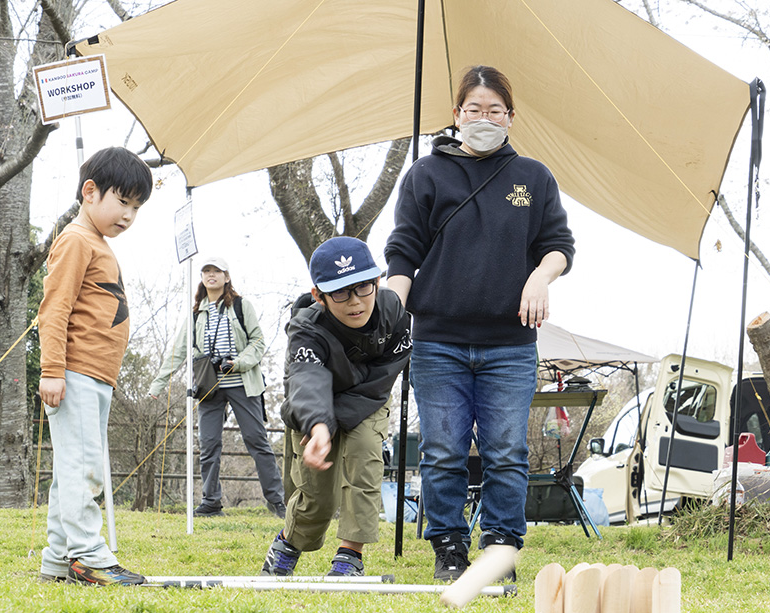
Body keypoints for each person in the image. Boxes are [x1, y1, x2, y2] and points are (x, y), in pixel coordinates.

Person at [384, 65, 574, 581]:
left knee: (506, 452)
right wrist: (392, 307)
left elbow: (559, 246)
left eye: (494, 110)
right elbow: (403, 250)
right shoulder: (425, 175)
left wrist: (540, 278)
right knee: (443, 450)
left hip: (509, 345)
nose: (484, 118)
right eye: (474, 109)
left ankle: (499, 548)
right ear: (456, 115)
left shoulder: (533, 177)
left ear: (510, 117)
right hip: (438, 341)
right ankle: (448, 545)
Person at [260, 237, 411, 578]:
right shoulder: (306, 328)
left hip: (369, 402)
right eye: (341, 292)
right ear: (319, 296)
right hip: (315, 409)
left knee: (365, 458)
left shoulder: (394, 312)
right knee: (317, 495)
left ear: (376, 282)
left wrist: (342, 414)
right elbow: (307, 381)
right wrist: (319, 427)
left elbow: (385, 374)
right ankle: (288, 543)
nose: (356, 302)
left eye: (363, 287)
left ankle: (349, 557)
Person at [37, 147, 153, 586]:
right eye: (123, 201)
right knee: (83, 467)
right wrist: (52, 370)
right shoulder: (75, 240)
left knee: (71, 467)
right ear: (90, 192)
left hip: (97, 378)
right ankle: (89, 555)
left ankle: (57, 559)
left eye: (136, 208)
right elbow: (54, 309)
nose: (129, 215)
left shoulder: (97, 243)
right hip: (75, 373)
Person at [149, 256, 286, 517]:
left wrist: (239, 362)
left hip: (242, 382)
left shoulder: (242, 306)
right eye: (206, 271)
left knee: (257, 441)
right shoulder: (196, 314)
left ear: (226, 276)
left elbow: (258, 342)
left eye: (216, 271)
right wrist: (159, 384)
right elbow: (179, 351)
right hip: (208, 384)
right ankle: (211, 502)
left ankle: (277, 501)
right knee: (208, 443)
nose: (211, 275)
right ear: (201, 278)